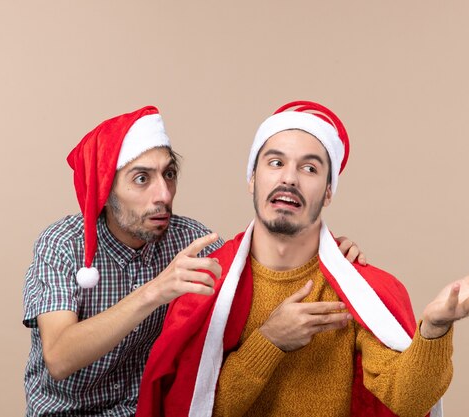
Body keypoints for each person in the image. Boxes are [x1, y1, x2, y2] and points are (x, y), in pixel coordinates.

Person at [136, 101, 469, 417]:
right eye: (275, 163)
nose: (290, 179)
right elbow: (195, 408)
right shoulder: (208, 283)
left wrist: (434, 329)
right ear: (252, 178)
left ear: (328, 192)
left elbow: (407, 401)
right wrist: (269, 341)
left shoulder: (357, 289)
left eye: (310, 168)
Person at [22, 105, 365, 417]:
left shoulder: (190, 240)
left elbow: (257, 268)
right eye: (142, 179)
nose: (163, 195)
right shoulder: (63, 244)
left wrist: (328, 254)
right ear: (106, 189)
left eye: (169, 175)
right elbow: (59, 357)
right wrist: (156, 290)